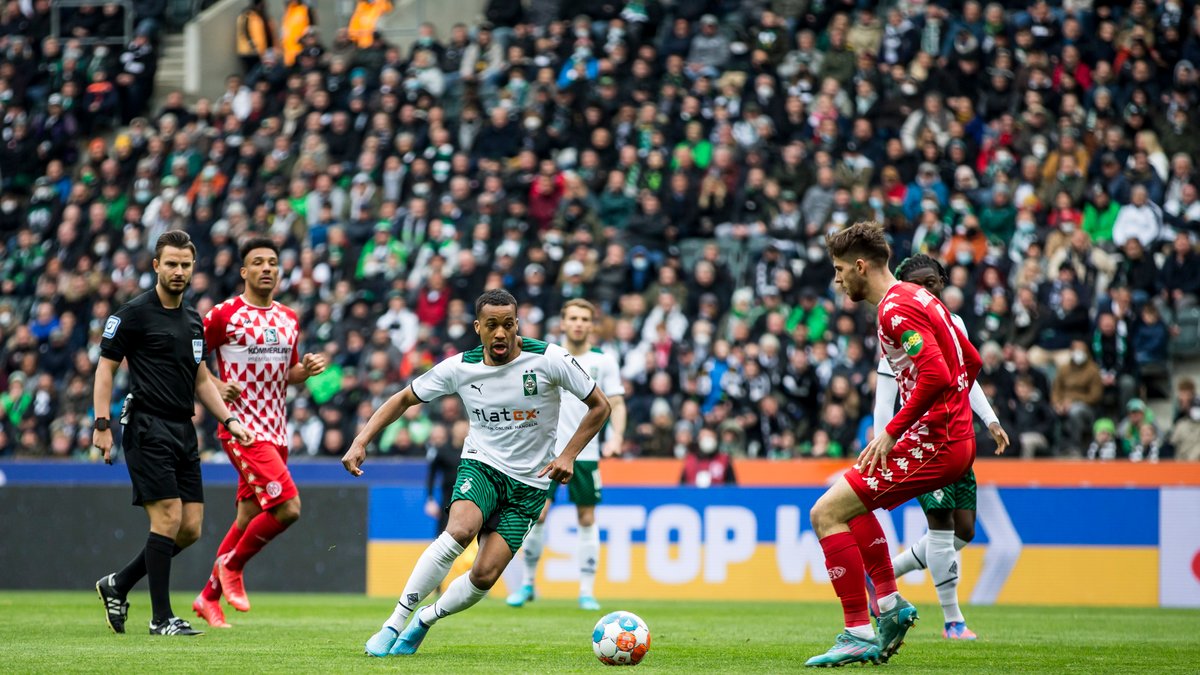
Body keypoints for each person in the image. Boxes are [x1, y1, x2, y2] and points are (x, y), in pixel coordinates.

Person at [341, 289, 611, 657]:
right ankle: (393, 623)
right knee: (459, 531)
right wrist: (361, 440)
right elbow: (404, 398)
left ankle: (425, 619)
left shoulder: (550, 359)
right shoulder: (460, 367)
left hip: (530, 484)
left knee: (484, 575)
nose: (500, 333)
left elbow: (600, 406)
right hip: (482, 465)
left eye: (508, 325)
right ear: (477, 327)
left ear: (517, 325)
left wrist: (568, 454)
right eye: (492, 325)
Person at [805, 222, 981, 667]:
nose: (837, 279)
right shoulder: (920, 297)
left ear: (861, 266)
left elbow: (937, 374)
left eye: (840, 269)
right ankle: (889, 605)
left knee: (825, 514)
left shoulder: (894, 308)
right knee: (850, 502)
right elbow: (971, 359)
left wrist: (895, 429)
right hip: (949, 437)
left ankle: (858, 631)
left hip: (936, 441)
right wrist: (956, 414)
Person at [93, 230, 253, 637]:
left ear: (193, 267)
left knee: (190, 527)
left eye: (185, 264)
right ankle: (161, 618)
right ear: (156, 266)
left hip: (184, 429)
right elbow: (105, 368)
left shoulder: (193, 321)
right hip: (147, 426)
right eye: (171, 264)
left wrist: (230, 421)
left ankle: (119, 584)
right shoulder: (132, 314)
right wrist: (101, 425)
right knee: (167, 517)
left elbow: (201, 380)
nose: (179, 271)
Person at [192, 237, 328, 628]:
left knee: (248, 515)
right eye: (258, 262)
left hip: (277, 431)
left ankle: (207, 597)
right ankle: (232, 566)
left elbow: (288, 373)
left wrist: (306, 370)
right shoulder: (224, 315)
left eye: (272, 262)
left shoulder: (288, 318)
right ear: (244, 271)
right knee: (288, 507)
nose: (267, 268)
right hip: (242, 430)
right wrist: (217, 385)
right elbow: (191, 360)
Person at [876, 254, 1010, 640]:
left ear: (942, 283)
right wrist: (882, 439)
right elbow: (885, 396)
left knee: (964, 531)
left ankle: (886, 573)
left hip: (958, 436)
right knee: (940, 525)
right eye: (917, 284)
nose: (926, 290)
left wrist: (990, 419)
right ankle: (953, 621)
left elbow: (967, 376)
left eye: (932, 282)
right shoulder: (898, 325)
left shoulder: (954, 323)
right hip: (922, 441)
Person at [506, 299, 628, 611]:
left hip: (586, 452)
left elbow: (616, 403)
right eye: (573, 318)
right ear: (562, 323)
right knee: (538, 515)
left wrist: (616, 437)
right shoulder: (547, 356)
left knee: (586, 517)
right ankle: (527, 584)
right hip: (545, 451)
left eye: (584, 319)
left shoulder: (604, 361)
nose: (578, 324)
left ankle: (586, 591)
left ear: (591, 325)